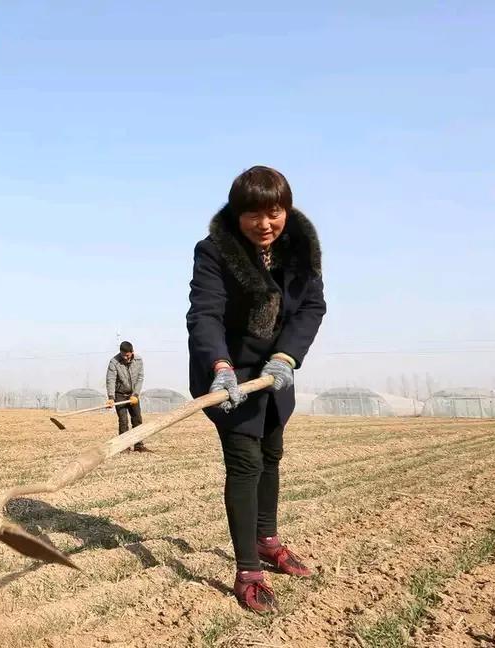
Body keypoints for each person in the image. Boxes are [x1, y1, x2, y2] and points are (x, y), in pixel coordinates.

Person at [186, 166, 326, 613]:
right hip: (227, 371)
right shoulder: (214, 252)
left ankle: (268, 540)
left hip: (275, 369)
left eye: (273, 212)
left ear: (285, 210)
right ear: (236, 214)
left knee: (271, 453)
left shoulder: (300, 251)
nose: (264, 224)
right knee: (245, 461)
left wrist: (286, 357)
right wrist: (221, 366)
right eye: (252, 215)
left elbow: (311, 307)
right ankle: (248, 568)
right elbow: (204, 314)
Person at [105, 341, 149, 452]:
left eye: (127, 355)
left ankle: (139, 445)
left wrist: (135, 394)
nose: (125, 357)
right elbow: (111, 380)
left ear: (132, 352)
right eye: (123, 355)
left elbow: (140, 378)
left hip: (133, 395)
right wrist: (111, 397)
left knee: (137, 419)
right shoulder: (114, 362)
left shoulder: (138, 361)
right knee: (123, 421)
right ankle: (123, 447)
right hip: (119, 394)